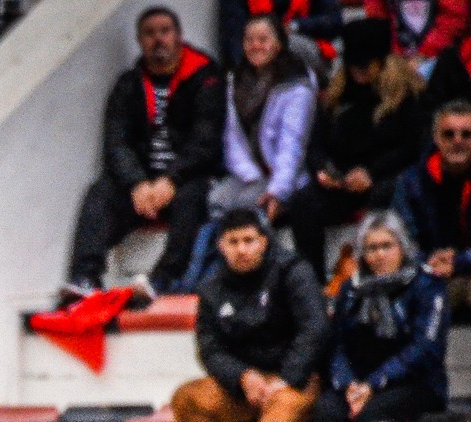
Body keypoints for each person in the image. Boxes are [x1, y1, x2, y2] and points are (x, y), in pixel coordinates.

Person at [65, 7, 224, 299]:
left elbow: (205, 140)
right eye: (150, 33)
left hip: (186, 178)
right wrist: (137, 182)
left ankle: (164, 279)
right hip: (143, 184)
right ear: (140, 40)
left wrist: (171, 179)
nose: (158, 39)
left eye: (165, 31)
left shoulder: (205, 78)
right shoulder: (128, 84)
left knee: (193, 196)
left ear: (178, 36)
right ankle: (85, 277)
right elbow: (116, 142)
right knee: (100, 193)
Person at [170, 207, 327, 422]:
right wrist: (242, 376)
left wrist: (286, 378)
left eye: (248, 240)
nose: (241, 249)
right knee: (186, 399)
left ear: (263, 241)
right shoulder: (211, 287)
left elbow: (314, 328)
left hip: (296, 380)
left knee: (282, 405)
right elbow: (209, 348)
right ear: (221, 246)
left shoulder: (293, 271)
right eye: (233, 242)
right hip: (245, 386)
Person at [280, 20, 425, 278]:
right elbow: (315, 144)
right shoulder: (337, 95)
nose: (359, 71)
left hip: (384, 176)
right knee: (304, 203)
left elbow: (410, 147)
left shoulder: (405, 95)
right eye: (354, 65)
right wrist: (323, 169)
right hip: (341, 180)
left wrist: (371, 173)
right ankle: (312, 279)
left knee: (388, 196)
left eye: (366, 64)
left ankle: (385, 273)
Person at [311, 212, 448, 422]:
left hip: (414, 383)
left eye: (387, 246)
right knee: (327, 409)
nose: (380, 254)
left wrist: (373, 384)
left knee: (372, 416)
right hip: (359, 382)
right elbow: (337, 345)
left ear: (402, 247)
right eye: (372, 248)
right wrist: (348, 384)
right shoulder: (350, 288)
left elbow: (425, 348)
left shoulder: (427, 284)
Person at [199, 12, 315, 269]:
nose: (255, 46)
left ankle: (253, 271)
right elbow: (232, 139)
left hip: (287, 176)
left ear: (278, 43)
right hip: (250, 174)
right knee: (216, 199)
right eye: (249, 40)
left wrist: (277, 190)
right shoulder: (235, 80)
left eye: (263, 39)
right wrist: (251, 176)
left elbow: (292, 145)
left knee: (247, 207)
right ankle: (200, 275)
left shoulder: (296, 85)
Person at [391, 101, 471, 312]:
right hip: (428, 274)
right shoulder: (410, 182)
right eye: (449, 134)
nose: (458, 141)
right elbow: (401, 239)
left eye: (466, 134)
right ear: (436, 138)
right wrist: (429, 262)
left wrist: (459, 261)